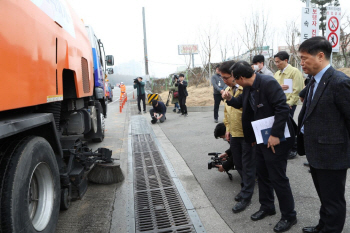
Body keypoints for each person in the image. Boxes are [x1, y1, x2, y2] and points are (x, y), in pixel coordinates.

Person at [222, 61, 297, 233]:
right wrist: (230, 99)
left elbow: (282, 108)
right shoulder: (248, 87)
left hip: (276, 138)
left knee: (278, 178)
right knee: (262, 174)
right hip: (260, 137)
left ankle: (289, 216)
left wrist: (275, 135)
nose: (234, 82)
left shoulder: (268, 83)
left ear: (241, 77)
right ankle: (267, 206)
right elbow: (242, 103)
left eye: (234, 79)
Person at [297, 36, 350, 233]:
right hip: (316, 152)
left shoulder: (339, 82)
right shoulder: (314, 80)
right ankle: (323, 226)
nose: (301, 62)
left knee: (333, 201)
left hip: (333, 155)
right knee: (324, 197)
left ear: (320, 56)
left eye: (304, 58)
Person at [219, 60, 256, 214]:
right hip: (234, 133)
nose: (224, 80)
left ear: (235, 76)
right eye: (222, 77)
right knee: (239, 164)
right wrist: (227, 129)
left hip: (246, 134)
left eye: (226, 77)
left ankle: (246, 195)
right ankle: (245, 188)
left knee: (248, 166)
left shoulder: (246, 89)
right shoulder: (227, 90)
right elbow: (227, 113)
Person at [274, 51, 303, 159]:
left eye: (278, 62)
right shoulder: (277, 74)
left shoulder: (294, 72)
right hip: (278, 104)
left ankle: (294, 148)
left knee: (289, 126)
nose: (276, 64)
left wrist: (289, 103)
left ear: (286, 60)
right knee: (282, 126)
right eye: (275, 62)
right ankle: (285, 147)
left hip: (289, 104)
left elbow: (297, 90)